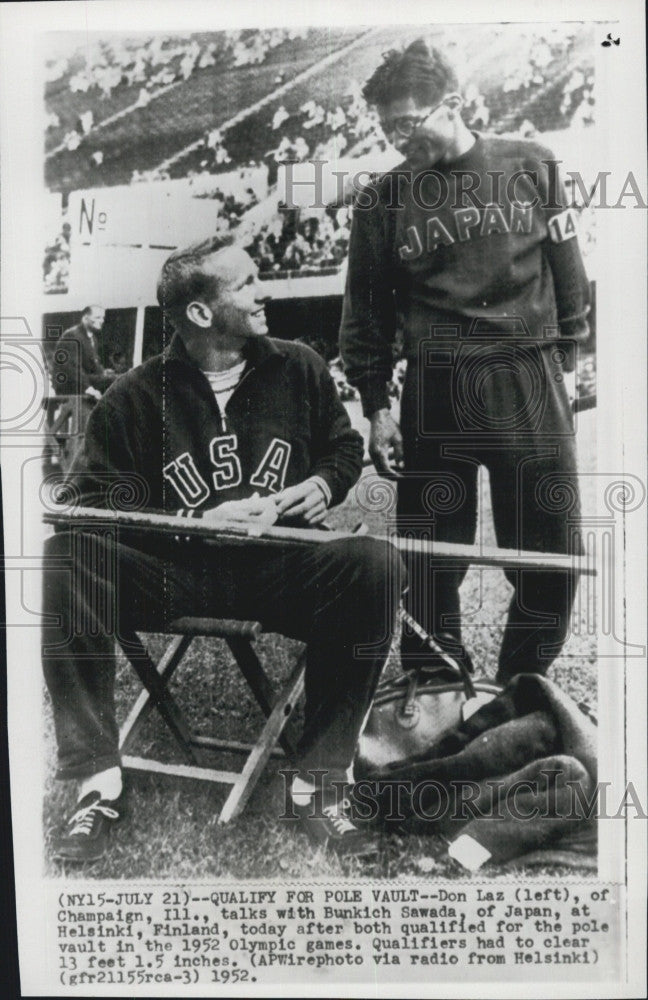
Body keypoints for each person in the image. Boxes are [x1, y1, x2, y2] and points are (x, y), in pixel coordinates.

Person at [42, 236, 403, 862]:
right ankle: (97, 783)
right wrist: (192, 520)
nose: (264, 292)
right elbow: (86, 507)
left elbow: (341, 448)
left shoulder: (301, 366)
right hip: (174, 572)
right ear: (202, 313)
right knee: (64, 559)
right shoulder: (132, 394)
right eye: (247, 284)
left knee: (376, 563)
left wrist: (320, 486)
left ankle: (317, 783)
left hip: (283, 565)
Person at [340, 39, 590, 684]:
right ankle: (440, 684)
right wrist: (377, 407)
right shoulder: (382, 202)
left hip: (525, 377)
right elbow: (364, 316)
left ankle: (518, 686)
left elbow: (568, 276)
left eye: (408, 121)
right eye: (387, 126)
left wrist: (567, 361)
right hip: (436, 386)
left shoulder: (531, 164)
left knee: (552, 555)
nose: (398, 138)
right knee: (426, 561)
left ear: (450, 103)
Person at [52, 304, 117, 399]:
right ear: (85, 318)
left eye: (103, 318)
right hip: (70, 384)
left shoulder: (92, 338)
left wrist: (103, 372)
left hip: (84, 380)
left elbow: (92, 365)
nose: (102, 321)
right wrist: (89, 389)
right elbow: (73, 368)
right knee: (117, 381)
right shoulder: (72, 336)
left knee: (120, 379)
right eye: (98, 317)